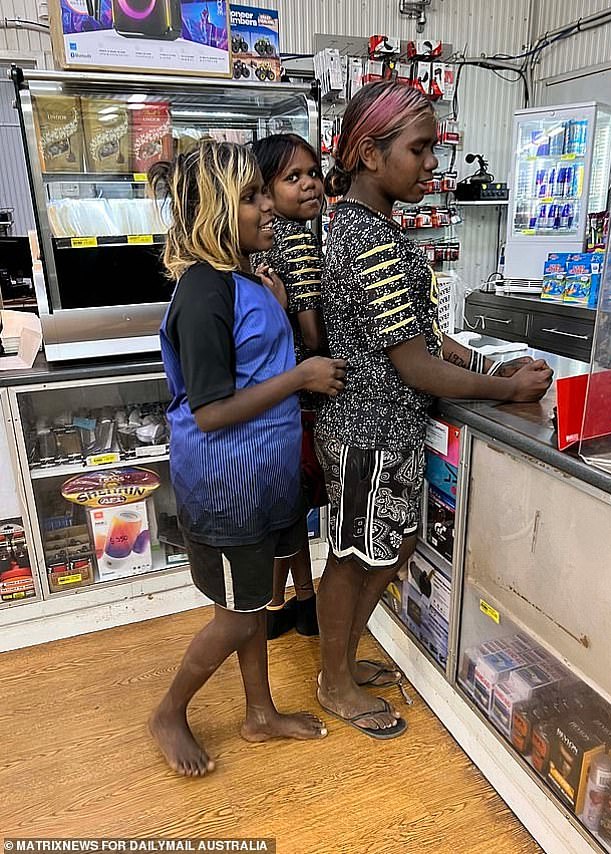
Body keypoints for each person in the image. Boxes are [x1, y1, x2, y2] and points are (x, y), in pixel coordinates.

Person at [315, 81, 553, 740]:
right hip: (369, 433)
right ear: (368, 153)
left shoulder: (366, 227)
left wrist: (484, 367)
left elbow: (420, 335)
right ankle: (333, 679)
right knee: (355, 555)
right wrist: (506, 390)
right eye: (419, 150)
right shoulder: (370, 240)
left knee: (388, 546)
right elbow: (415, 365)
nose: (431, 164)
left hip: (383, 430)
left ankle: (341, 661)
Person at [147, 141, 346, 776]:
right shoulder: (204, 292)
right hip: (224, 485)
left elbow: (255, 358)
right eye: (254, 197)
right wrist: (301, 377)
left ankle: (259, 713)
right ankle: (170, 710)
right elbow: (209, 410)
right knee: (236, 615)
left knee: (252, 602)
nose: (269, 207)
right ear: (215, 210)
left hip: (266, 475)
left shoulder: (245, 280)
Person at [251, 133, 327, 640]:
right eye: (291, 178)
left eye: (312, 173)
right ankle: (281, 603)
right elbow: (309, 324)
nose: (307, 185)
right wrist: (324, 354)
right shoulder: (297, 239)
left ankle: (298, 600)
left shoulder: (279, 237)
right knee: (290, 506)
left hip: (284, 389)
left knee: (292, 509)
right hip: (301, 391)